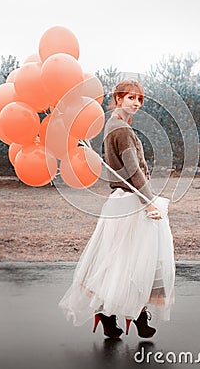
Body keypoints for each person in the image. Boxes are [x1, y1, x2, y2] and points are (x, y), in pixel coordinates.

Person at [58, 79, 175, 339]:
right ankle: (136, 314)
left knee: (118, 260)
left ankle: (111, 315)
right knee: (135, 261)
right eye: (130, 97)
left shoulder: (114, 126)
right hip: (132, 200)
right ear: (118, 99)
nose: (136, 103)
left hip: (120, 200)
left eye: (139, 99)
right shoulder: (121, 130)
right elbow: (132, 171)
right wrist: (150, 202)